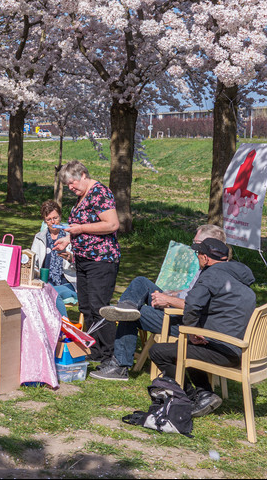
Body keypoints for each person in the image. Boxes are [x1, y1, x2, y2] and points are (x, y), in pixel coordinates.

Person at [91, 224, 228, 381]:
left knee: (134, 314)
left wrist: (169, 300)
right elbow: (192, 296)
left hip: (187, 324)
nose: (193, 248)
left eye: (197, 244)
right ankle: (126, 305)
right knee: (141, 283)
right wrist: (174, 294)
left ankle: (120, 366)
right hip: (180, 310)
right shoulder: (211, 269)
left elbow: (195, 306)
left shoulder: (212, 276)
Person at [148, 237, 256, 418]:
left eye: (198, 254)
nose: (197, 257)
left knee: (158, 351)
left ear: (206, 258)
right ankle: (205, 394)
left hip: (224, 349)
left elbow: (192, 305)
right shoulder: (238, 277)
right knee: (190, 348)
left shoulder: (211, 275)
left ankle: (191, 396)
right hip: (240, 348)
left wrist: (191, 332)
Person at [53, 159, 121, 364]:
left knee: (99, 306)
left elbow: (112, 224)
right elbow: (79, 225)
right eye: (68, 185)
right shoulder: (82, 196)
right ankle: (94, 350)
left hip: (101, 259)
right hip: (83, 259)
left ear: (83, 175)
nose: (71, 187)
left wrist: (80, 229)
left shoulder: (99, 193)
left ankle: (110, 355)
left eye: (72, 182)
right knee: (86, 306)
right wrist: (67, 239)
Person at [31, 199, 78, 319]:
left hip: (67, 282)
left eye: (55, 218)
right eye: (49, 219)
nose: (53, 222)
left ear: (60, 216)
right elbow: (33, 262)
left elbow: (83, 264)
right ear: (44, 221)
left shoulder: (70, 236)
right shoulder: (39, 237)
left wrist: (71, 258)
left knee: (51, 293)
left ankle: (64, 326)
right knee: (40, 292)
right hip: (46, 282)